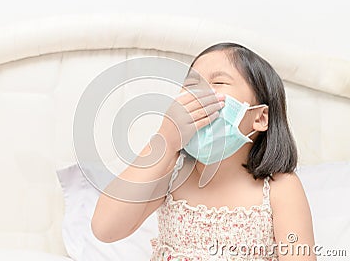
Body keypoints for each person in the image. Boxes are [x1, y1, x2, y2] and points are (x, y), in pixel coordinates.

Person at [91, 42, 316, 260]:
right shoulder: (174, 172)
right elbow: (105, 228)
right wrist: (165, 142)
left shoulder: (279, 187)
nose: (199, 95)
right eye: (191, 86)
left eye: (218, 82)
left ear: (259, 117)